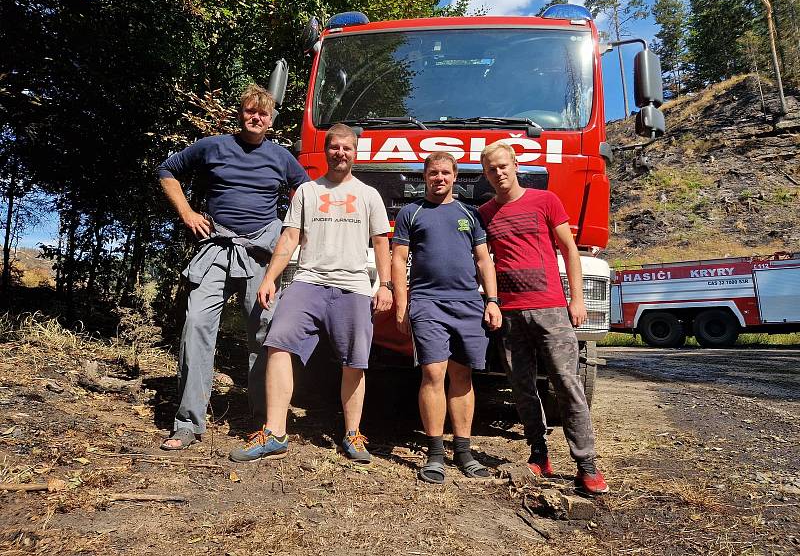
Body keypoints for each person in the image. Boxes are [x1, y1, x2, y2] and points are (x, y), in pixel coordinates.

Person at [229, 123, 393, 463]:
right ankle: (274, 432)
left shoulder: (368, 195)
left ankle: (353, 435)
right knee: (277, 343)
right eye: (334, 147)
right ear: (327, 150)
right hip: (307, 281)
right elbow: (289, 238)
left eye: (347, 148)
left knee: (355, 360)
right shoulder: (307, 192)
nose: (340, 153)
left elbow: (381, 244)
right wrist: (270, 277)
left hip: (353, 286)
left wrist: (386, 286)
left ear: (355, 152)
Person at [158, 84, 309, 450]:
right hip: (216, 247)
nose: (256, 118)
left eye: (263, 114)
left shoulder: (281, 156)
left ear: (271, 121)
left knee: (264, 330)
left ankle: (265, 420)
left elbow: (306, 194)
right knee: (197, 324)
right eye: (250, 112)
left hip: (262, 252)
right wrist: (187, 212)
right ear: (240, 113)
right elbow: (167, 170)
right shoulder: (213, 146)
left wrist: (293, 234)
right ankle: (188, 423)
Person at [478, 140, 608, 495]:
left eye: (503, 166)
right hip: (510, 313)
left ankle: (587, 466)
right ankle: (539, 455)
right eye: (492, 169)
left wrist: (576, 299)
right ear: (486, 175)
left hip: (551, 309)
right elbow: (484, 260)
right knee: (522, 388)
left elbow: (569, 248)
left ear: (515, 165)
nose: (499, 173)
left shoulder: (546, 201)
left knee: (567, 385)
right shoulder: (485, 213)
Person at [391, 152, 502, 484]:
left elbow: (484, 261)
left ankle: (464, 452)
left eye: (445, 173)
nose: (439, 178)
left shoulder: (470, 214)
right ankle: (436, 454)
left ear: (455, 177)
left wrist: (492, 300)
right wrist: (401, 304)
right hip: (427, 303)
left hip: (468, 303)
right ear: (424, 176)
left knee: (463, 375)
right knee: (433, 373)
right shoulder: (411, 213)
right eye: (433, 173)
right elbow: (398, 260)